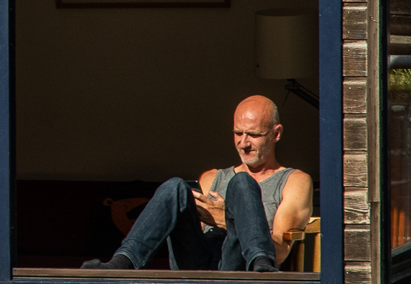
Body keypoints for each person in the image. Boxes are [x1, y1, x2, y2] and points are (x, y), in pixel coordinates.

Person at [93, 95, 314, 274]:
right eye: (238, 133)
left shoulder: (293, 181)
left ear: (276, 134)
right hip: (197, 263)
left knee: (243, 184)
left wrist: (226, 220)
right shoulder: (211, 178)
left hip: (239, 265)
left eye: (254, 135)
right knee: (175, 187)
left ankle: (261, 266)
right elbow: (190, 235)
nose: (243, 143)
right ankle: (122, 263)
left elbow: (281, 252)